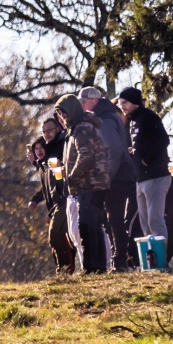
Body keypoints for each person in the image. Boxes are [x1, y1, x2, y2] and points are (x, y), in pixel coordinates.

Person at [79, 87, 135, 272]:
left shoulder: (104, 119)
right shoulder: (106, 116)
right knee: (111, 219)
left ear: (94, 100)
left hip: (117, 176)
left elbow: (115, 151)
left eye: (83, 101)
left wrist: (106, 178)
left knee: (114, 218)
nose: (81, 105)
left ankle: (120, 262)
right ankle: (119, 261)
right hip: (118, 174)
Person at [55, 94, 111, 274]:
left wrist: (70, 177)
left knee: (87, 226)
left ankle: (92, 267)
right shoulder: (77, 128)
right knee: (91, 225)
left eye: (64, 114)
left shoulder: (81, 128)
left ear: (71, 111)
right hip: (90, 184)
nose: (63, 118)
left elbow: (85, 156)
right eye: (60, 116)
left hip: (90, 184)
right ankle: (97, 266)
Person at [118, 87, 171, 242]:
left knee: (155, 220)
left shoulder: (148, 117)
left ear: (135, 102)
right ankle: (152, 260)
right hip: (140, 178)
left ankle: (161, 261)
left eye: (125, 102)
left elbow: (163, 140)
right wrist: (134, 152)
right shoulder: (132, 120)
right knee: (145, 223)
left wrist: (146, 160)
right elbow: (143, 142)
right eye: (121, 103)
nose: (122, 106)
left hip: (156, 176)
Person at [29, 136, 74, 274]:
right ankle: (64, 271)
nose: (39, 151)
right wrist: (35, 200)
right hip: (55, 208)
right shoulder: (42, 167)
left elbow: (60, 185)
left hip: (62, 204)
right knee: (59, 240)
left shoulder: (52, 163)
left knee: (55, 236)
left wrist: (52, 212)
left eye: (41, 147)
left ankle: (65, 270)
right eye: (35, 148)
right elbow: (45, 189)